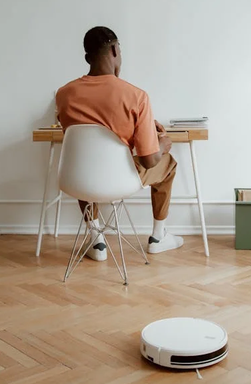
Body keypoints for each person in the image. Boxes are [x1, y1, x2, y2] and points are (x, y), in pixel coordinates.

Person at [56, 26, 183, 261]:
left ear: (87, 58)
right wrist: (162, 143)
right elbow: (149, 160)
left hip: (78, 180)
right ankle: (158, 236)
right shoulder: (136, 96)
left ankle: (96, 239)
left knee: (83, 163)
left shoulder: (64, 94)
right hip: (122, 181)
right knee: (169, 164)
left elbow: (79, 142)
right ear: (115, 50)